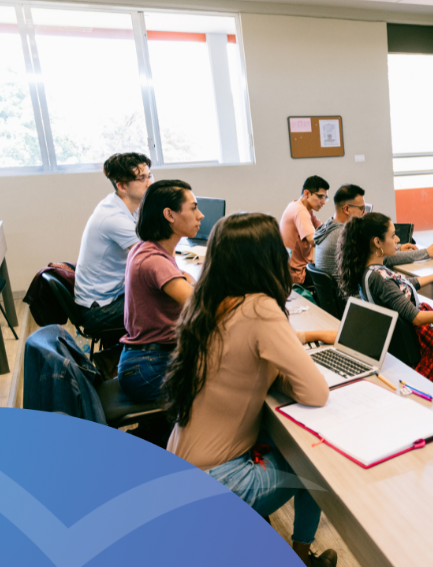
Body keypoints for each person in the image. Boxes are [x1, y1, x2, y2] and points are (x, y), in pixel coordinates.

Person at [163, 212, 338, 567]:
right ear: (268, 257)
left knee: (282, 438)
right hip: (219, 481)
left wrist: (288, 355)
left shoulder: (207, 301)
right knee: (316, 467)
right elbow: (316, 393)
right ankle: (302, 555)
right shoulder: (260, 307)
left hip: (179, 467)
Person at [336, 213, 433, 397]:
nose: (397, 239)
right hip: (419, 344)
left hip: (403, 342)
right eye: (392, 235)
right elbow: (417, 318)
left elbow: (402, 285)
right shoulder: (380, 279)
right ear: (377, 242)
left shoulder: (369, 272)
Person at [117, 180, 202, 403]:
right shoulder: (155, 261)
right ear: (169, 215)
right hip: (149, 368)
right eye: (193, 208)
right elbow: (203, 305)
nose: (200, 215)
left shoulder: (147, 248)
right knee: (230, 384)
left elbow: (186, 279)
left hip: (143, 360)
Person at [74, 152, 153, 343]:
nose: (150, 183)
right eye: (142, 178)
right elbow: (151, 258)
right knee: (168, 307)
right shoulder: (114, 218)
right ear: (122, 186)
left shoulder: (123, 206)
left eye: (150, 176)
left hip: (111, 296)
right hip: (99, 312)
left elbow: (150, 241)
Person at [313, 184, 433, 278]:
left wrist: (398, 247)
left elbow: (374, 250)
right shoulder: (344, 235)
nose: (364, 214)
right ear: (346, 209)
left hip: (339, 301)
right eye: (362, 209)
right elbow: (382, 257)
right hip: (353, 300)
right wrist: (426, 253)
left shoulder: (327, 227)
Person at [280, 175, 329, 289]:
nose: (324, 202)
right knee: (336, 278)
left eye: (325, 198)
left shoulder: (302, 207)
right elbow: (314, 240)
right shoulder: (300, 211)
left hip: (296, 269)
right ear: (307, 193)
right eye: (321, 196)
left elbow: (322, 229)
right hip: (296, 274)